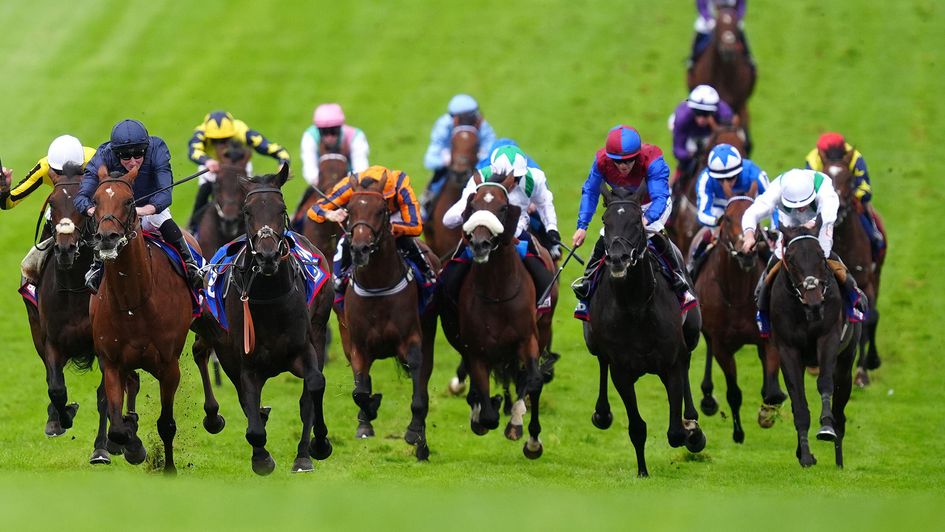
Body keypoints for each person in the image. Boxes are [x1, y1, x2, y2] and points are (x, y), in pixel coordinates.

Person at [571, 125, 697, 320]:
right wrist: (582, 226)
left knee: (651, 233)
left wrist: (645, 220)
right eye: (618, 162)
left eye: (629, 160)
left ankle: (680, 284)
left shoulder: (652, 160)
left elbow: (660, 197)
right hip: (622, 206)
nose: (624, 166)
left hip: (651, 205)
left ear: (637, 155)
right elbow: (590, 191)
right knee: (607, 238)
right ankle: (587, 288)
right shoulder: (601, 162)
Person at [76, 119, 203, 292]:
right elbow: (82, 196)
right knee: (101, 225)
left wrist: (143, 210)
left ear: (146, 149)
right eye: (126, 157)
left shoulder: (157, 149)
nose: (133, 162)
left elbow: (165, 194)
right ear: (116, 154)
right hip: (117, 212)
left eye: (138, 155)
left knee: (162, 220)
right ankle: (96, 267)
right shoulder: (103, 155)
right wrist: (96, 210)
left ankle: (190, 264)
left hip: (151, 209)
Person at [740, 168, 864, 337]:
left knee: (823, 254)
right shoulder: (776, 189)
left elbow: (828, 216)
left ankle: (853, 298)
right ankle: (762, 309)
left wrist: (810, 226)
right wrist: (748, 234)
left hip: (819, 221)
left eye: (803, 204)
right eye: (795, 206)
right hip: (789, 222)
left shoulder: (825, 190)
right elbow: (751, 213)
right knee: (778, 256)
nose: (800, 209)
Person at [440, 144, 560, 309]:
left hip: (517, 226)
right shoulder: (481, 178)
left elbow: (545, 203)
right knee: (457, 260)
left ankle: (545, 296)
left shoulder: (534, 178)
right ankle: (444, 297)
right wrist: (469, 215)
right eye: (509, 178)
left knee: (535, 251)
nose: (513, 183)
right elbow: (450, 218)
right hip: (482, 228)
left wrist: (551, 227)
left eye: (517, 178)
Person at [307, 165, 434, 291]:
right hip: (364, 219)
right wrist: (330, 214)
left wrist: (392, 228)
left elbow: (416, 226)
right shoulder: (350, 185)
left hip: (393, 218)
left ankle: (427, 273)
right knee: (344, 242)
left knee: (408, 242)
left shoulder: (400, 183)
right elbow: (314, 210)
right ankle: (338, 279)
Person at [2, 135, 97, 283]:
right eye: (59, 173)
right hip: (60, 207)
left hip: (91, 207)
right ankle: (31, 289)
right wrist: (4, 189)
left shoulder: (95, 160)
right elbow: (10, 202)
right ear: (51, 168)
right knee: (31, 266)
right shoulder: (44, 167)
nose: (65, 179)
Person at [186, 111, 290, 232]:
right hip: (213, 165)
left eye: (226, 139)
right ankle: (193, 226)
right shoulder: (201, 133)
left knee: (251, 191)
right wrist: (207, 161)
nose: (222, 144)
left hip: (239, 166)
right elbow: (193, 151)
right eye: (216, 140)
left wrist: (283, 161)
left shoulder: (242, 131)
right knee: (205, 187)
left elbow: (274, 148)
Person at [688, 143, 768, 279]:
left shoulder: (754, 173)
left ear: (739, 171)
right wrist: (717, 221)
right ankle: (690, 275)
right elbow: (702, 213)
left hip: (749, 214)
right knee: (702, 242)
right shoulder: (705, 179)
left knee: (771, 244)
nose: (727, 183)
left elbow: (773, 203)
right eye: (720, 179)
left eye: (731, 177)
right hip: (720, 216)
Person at [805, 132, 884, 259]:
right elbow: (808, 190)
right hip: (822, 202)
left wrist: (854, 197)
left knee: (864, 211)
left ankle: (874, 236)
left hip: (849, 200)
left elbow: (865, 189)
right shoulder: (813, 160)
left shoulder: (855, 158)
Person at [419, 94, 497, 219]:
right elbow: (430, 160)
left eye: (471, 117)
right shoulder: (443, 125)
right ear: (454, 119)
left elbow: (492, 153)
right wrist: (447, 159)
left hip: (475, 166)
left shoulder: (483, 125)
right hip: (450, 168)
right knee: (436, 182)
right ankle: (425, 206)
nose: (468, 121)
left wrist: (477, 157)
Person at [672, 84, 734, 181]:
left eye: (706, 114)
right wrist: (691, 156)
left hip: (711, 133)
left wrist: (716, 127)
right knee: (684, 165)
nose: (701, 119)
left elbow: (729, 139)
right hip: (689, 135)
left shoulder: (725, 113)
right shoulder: (682, 118)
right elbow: (678, 150)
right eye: (697, 113)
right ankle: (673, 187)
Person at [688, 0, 753, 71]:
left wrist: (736, 19)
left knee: (740, 32)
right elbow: (702, 6)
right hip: (711, 19)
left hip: (730, 20)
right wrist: (709, 20)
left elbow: (741, 5)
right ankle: (693, 60)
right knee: (701, 31)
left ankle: (748, 57)